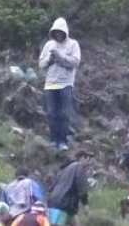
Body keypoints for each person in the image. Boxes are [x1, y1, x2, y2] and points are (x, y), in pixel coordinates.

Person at [38, 17, 81, 150]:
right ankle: (53, 140)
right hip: (50, 84)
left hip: (66, 84)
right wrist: (50, 59)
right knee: (51, 113)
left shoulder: (73, 44)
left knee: (64, 113)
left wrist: (61, 57)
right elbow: (41, 64)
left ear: (64, 32)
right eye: (55, 32)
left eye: (60, 32)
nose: (58, 35)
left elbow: (75, 62)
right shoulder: (48, 45)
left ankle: (63, 141)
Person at [46, 150, 91, 225]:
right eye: (88, 159)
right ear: (82, 157)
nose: (88, 162)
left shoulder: (64, 169)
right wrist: (85, 203)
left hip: (54, 202)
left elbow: (52, 187)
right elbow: (81, 186)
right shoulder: (78, 166)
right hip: (64, 204)